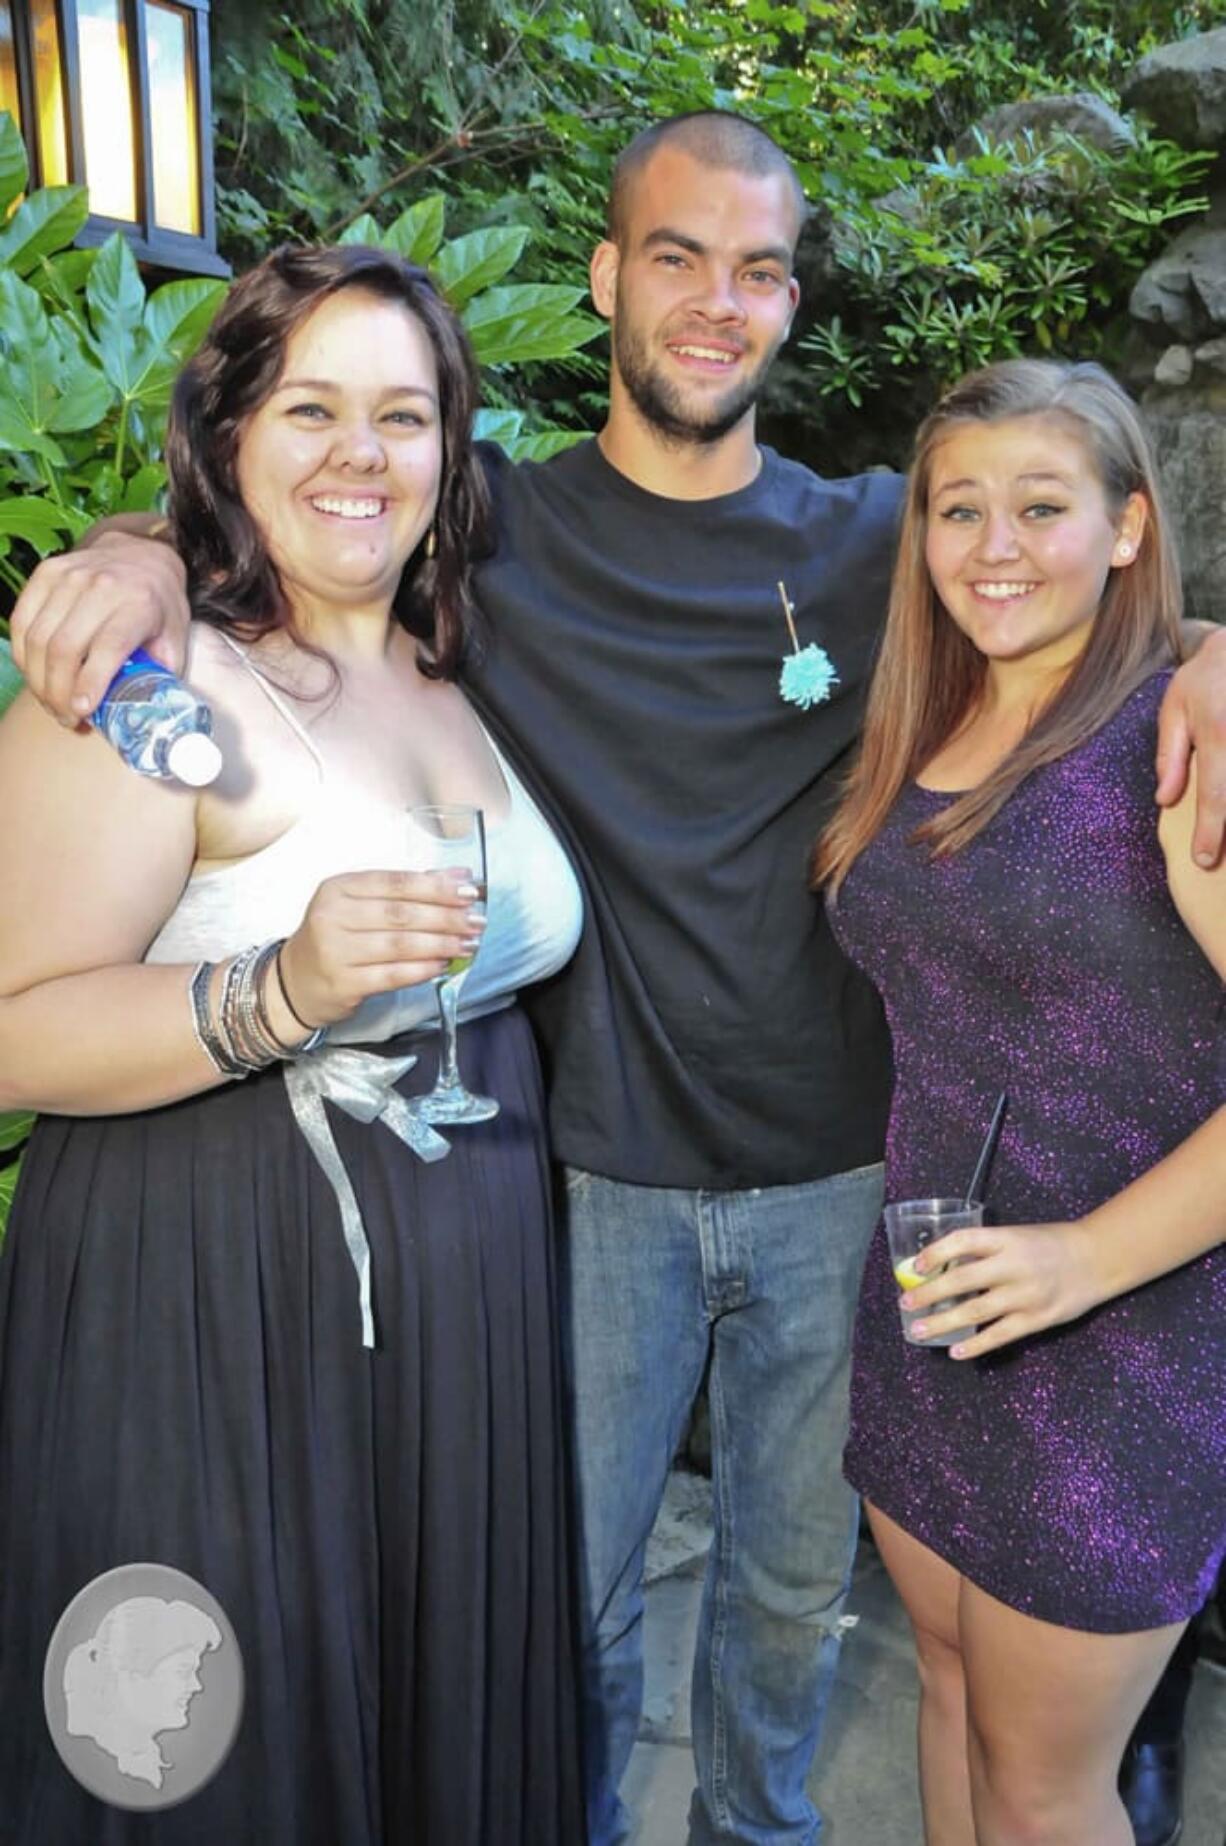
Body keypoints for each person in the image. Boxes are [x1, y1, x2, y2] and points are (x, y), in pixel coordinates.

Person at [11, 116, 1226, 1846]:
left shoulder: (881, 535)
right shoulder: (484, 529)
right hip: (588, 1190)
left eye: (754, 268)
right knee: (557, 1615)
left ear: (790, 302)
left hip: (842, 1182)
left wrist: (1213, 652)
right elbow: (295, 507)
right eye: (674, 256)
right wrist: (131, 552)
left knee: (793, 1615)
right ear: (605, 280)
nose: (714, 302)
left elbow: (1061, 572)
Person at [0, 245, 585, 1844]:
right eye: (310, 407)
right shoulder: (152, 681)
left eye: (403, 415)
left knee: (417, 1726)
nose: (359, 453)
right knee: (204, 1738)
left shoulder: (457, 666)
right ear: (228, 429)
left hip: (455, 1305)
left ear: (451, 452)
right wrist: (280, 986)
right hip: (205, 1292)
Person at [816, 358, 1225, 1846]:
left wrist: (1084, 1257)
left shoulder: (1178, 745)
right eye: (958, 507)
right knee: (943, 1690)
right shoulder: (924, 725)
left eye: (1039, 507)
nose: (992, 546)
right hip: (931, 1305)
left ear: (1126, 527)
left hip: (1125, 1344)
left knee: (1047, 1786)